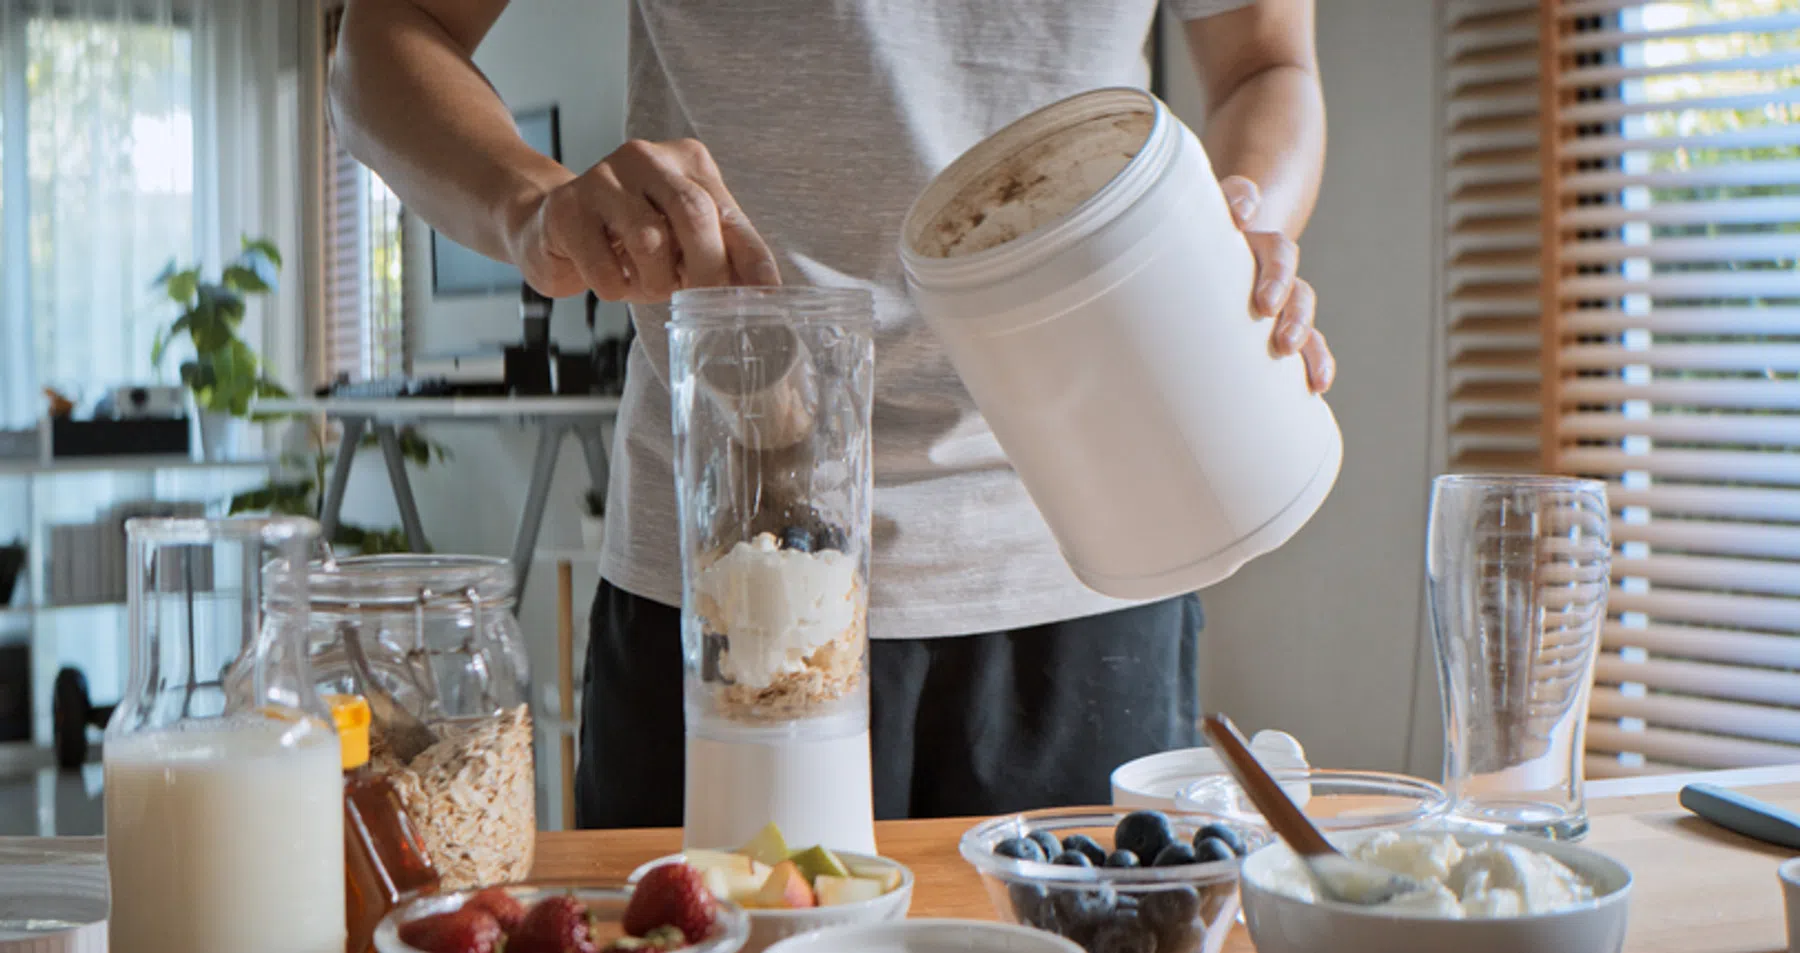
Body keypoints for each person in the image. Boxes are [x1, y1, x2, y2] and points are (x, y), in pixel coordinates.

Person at [331, 0, 1333, 826]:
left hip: (1088, 556)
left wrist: (1232, 231)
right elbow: (382, 37)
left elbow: (1266, 63)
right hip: (722, 575)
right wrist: (531, 207)